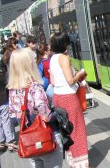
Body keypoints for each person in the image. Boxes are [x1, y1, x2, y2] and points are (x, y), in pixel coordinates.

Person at [7, 48, 63, 167]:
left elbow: (13, 115)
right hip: (46, 137)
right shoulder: (34, 86)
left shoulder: (12, 89)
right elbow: (45, 116)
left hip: (29, 141)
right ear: (29, 65)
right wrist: (59, 115)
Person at [49, 32, 89, 168]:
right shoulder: (64, 58)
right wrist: (80, 73)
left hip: (57, 97)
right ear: (64, 44)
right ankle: (82, 165)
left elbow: (53, 82)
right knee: (77, 130)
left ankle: (73, 163)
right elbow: (71, 80)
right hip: (69, 98)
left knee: (66, 130)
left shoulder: (52, 58)